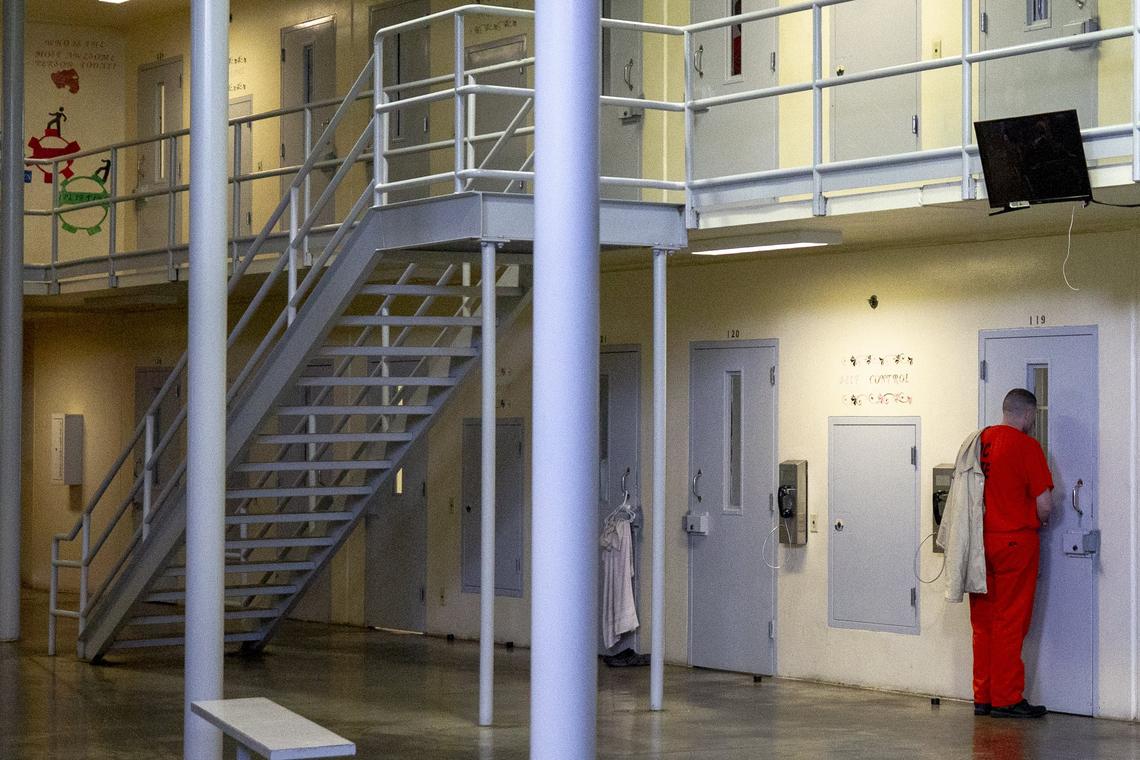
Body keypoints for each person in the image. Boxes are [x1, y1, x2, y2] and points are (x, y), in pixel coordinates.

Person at [970, 388, 1054, 719]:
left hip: (980, 543)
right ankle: (1006, 698)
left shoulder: (979, 442)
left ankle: (983, 696)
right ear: (1028, 414)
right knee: (1010, 621)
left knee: (983, 622)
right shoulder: (1027, 446)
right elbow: (1044, 504)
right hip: (1015, 544)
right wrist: (1041, 519)